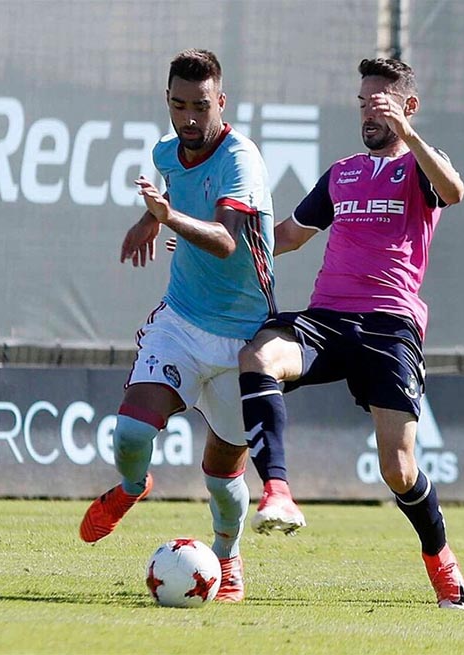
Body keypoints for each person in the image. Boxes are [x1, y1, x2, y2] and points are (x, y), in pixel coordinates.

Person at [237, 57, 464, 609]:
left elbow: (455, 191)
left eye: (381, 102)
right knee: (258, 356)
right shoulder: (342, 173)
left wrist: (409, 136)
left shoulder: (419, 168)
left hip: (390, 328)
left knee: (398, 467)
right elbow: (289, 236)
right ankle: (277, 491)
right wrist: (217, 245)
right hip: (327, 320)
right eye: (364, 101)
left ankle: (440, 559)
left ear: (407, 107)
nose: (369, 111)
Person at [78, 49, 280, 603]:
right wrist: (151, 218)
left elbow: (225, 240)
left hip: (245, 340)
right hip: (182, 322)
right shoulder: (167, 151)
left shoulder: (242, 159)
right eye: (178, 104)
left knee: (222, 478)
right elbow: (169, 188)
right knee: (132, 432)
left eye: (200, 106)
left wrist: (167, 219)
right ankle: (131, 486)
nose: (189, 119)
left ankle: (228, 555)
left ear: (221, 101)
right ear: (167, 100)